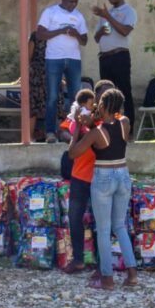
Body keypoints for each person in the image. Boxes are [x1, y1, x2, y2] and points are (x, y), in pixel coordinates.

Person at [69, 89, 137, 290]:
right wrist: (95, 120)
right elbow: (113, 123)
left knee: (104, 230)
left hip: (103, 177)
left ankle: (107, 278)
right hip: (123, 174)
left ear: (104, 106)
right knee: (120, 226)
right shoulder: (125, 123)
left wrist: (78, 126)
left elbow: (72, 153)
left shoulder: (96, 134)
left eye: (99, 104)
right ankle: (132, 274)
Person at [37, 0, 88, 143]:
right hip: (54, 59)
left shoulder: (79, 16)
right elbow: (40, 34)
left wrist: (76, 34)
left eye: (76, 2)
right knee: (52, 96)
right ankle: (50, 132)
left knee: (76, 97)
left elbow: (84, 41)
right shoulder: (50, 12)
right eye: (70, 1)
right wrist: (60, 31)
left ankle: (75, 131)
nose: (73, 4)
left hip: (74, 59)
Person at [62, 89, 97, 274]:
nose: (92, 108)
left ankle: (102, 262)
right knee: (74, 218)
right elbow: (64, 133)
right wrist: (77, 125)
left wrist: (88, 124)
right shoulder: (77, 119)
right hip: (79, 176)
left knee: (101, 221)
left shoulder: (105, 121)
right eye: (89, 104)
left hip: (99, 177)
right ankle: (78, 259)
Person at [92, 0, 138, 121]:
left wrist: (108, 17)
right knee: (105, 94)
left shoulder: (129, 11)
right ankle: (108, 127)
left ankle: (128, 129)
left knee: (124, 93)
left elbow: (125, 31)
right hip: (104, 58)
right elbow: (96, 38)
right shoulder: (106, 13)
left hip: (119, 56)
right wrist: (101, 31)